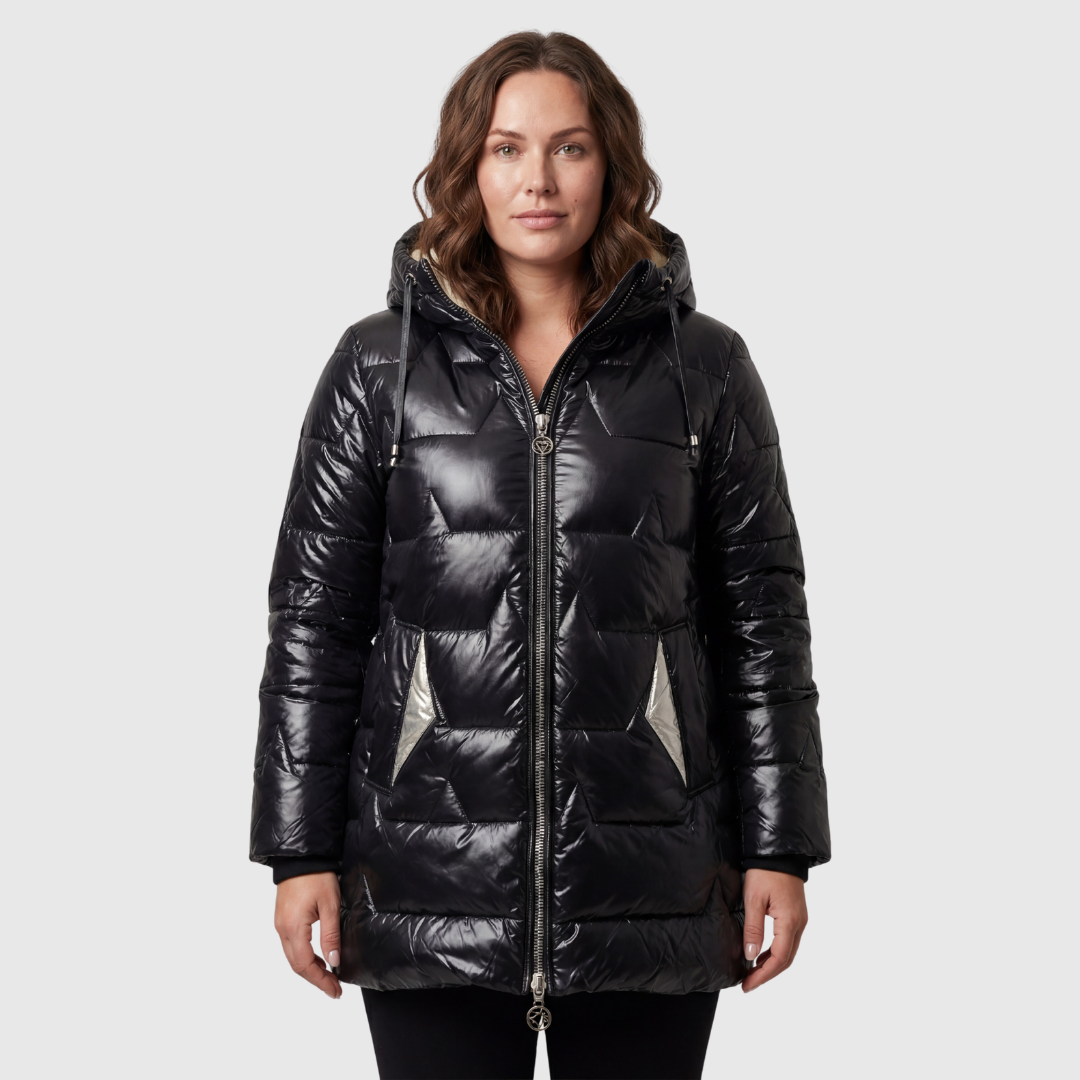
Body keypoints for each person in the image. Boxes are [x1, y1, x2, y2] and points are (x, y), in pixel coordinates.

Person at [249, 30, 831, 1080]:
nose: (539, 181)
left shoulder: (703, 369)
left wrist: (781, 848)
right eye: (507, 149)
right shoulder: (379, 368)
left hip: (649, 874)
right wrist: (298, 853)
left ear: (612, 164)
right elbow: (315, 625)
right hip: (428, 875)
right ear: (467, 167)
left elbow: (763, 622)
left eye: (570, 147)